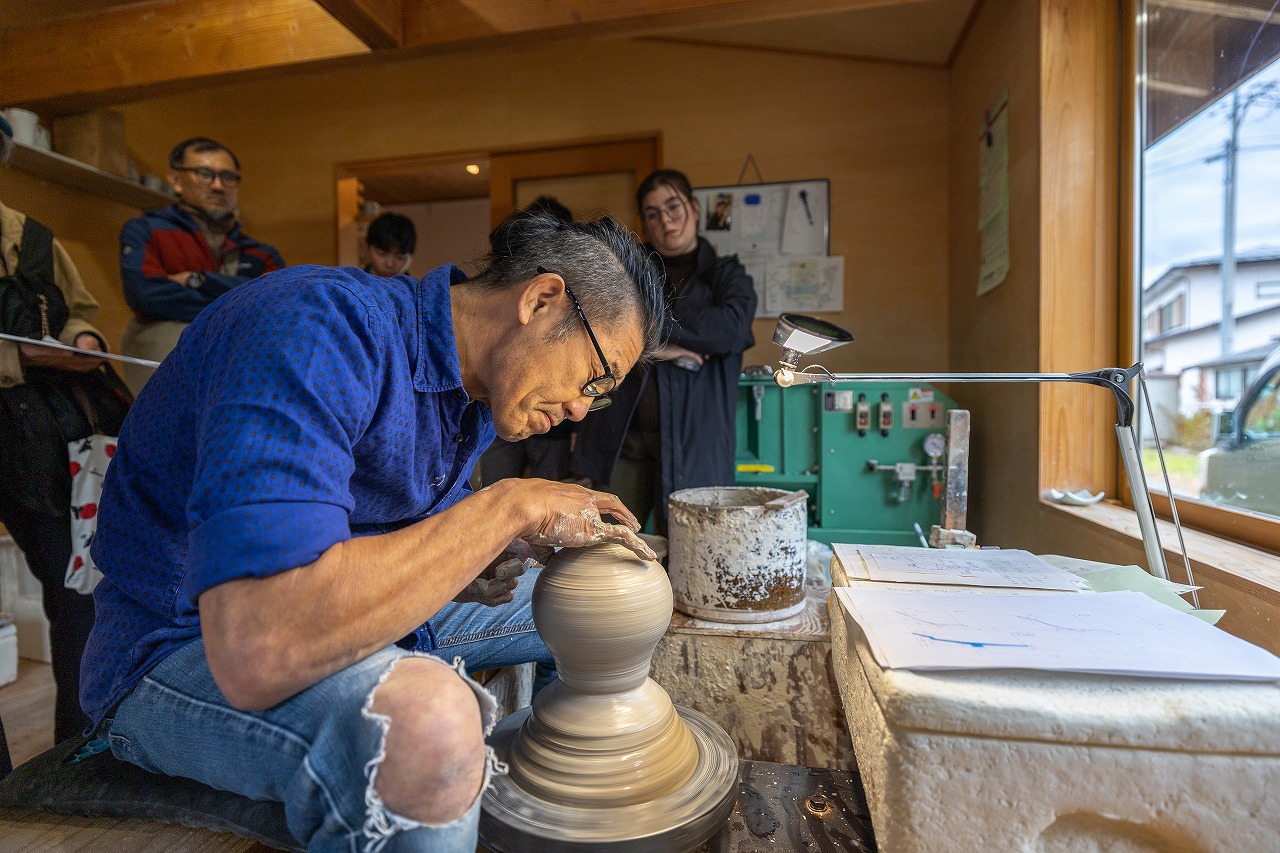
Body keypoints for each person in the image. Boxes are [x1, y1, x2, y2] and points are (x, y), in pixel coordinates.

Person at [81, 211, 663, 851]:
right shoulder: (316, 328)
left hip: (331, 619)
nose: (582, 405)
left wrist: (468, 557)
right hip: (182, 648)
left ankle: (553, 807)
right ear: (541, 300)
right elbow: (261, 642)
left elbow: (360, 535)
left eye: (600, 393)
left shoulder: (467, 394)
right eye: (595, 376)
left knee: (601, 596)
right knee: (428, 724)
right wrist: (502, 511)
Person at [0, 113, 125, 743]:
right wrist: (21, 356)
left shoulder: (36, 237)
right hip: (21, 399)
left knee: (80, 586)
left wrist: (83, 340)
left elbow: (81, 313)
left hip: (38, 434)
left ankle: (77, 749)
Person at [572, 169, 757, 536]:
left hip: (696, 440)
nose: (665, 220)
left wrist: (645, 332)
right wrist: (659, 348)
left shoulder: (727, 276)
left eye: (673, 207)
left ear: (693, 207)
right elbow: (598, 321)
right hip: (622, 438)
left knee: (694, 552)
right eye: (652, 213)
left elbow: (731, 329)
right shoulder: (625, 272)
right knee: (608, 546)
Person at [118, 136, 285, 395]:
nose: (218, 185)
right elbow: (145, 294)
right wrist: (242, 299)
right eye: (204, 174)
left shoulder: (261, 253)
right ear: (176, 181)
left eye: (228, 177)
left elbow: (278, 303)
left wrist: (199, 280)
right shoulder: (145, 230)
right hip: (164, 356)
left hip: (242, 363)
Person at [480, 196, 578, 486]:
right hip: (499, 411)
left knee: (548, 501)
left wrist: (580, 430)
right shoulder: (501, 288)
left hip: (554, 423)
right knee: (495, 491)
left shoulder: (577, 298)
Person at [363, 212, 416, 277]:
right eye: (381, 253)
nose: (389, 264)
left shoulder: (417, 287)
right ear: (367, 248)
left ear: (410, 257)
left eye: (399, 257)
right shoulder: (352, 285)